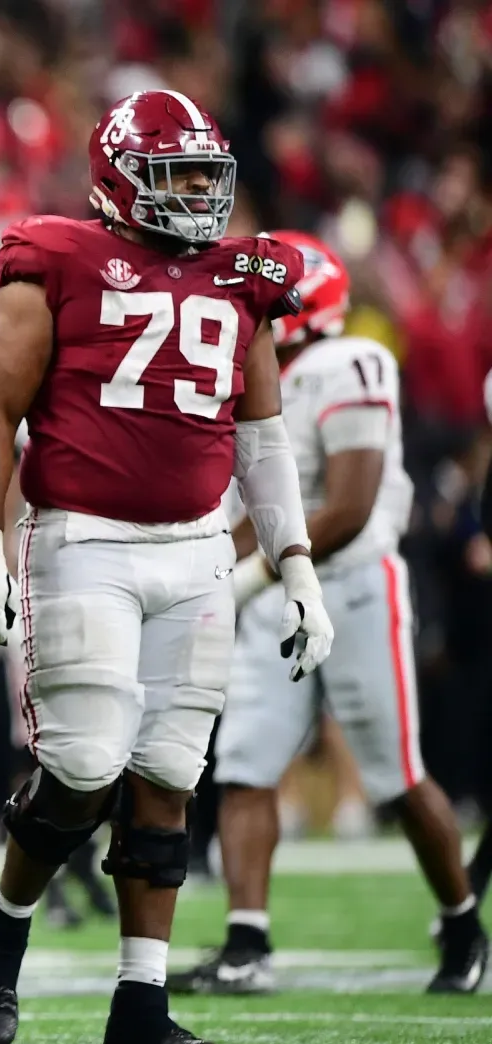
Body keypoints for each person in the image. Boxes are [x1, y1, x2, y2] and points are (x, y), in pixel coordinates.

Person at [0, 90, 333, 1044]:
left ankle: (141, 1004)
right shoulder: (57, 258)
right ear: (120, 176)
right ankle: (5, 924)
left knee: (169, 773)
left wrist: (295, 564)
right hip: (87, 539)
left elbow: (264, 440)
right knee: (82, 765)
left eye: (210, 174)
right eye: (180, 175)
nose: (200, 194)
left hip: (199, 547)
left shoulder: (245, 278)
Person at [170, 231, 487, 994]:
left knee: (397, 776)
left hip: (349, 585)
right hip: (278, 590)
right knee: (244, 767)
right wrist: (209, 571)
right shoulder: (254, 374)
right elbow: (259, 509)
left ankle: (462, 925)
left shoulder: (352, 361)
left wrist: (244, 582)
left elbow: (347, 506)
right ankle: (248, 945)